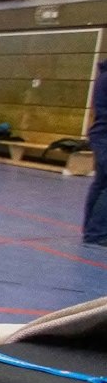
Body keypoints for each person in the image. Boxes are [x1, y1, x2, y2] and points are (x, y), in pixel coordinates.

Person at [86, 59, 107, 247]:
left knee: (101, 183)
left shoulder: (103, 76)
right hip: (104, 136)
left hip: (101, 135)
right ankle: (97, 233)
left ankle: (91, 229)